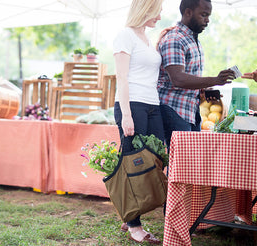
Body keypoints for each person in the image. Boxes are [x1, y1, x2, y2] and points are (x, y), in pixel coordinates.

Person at [113, 0, 164, 244]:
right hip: (132, 104)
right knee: (133, 164)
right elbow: (122, 77)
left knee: (157, 158)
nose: (160, 16)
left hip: (152, 105)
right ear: (147, 9)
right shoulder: (125, 35)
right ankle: (134, 225)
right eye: (158, 11)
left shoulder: (146, 38)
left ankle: (130, 214)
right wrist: (126, 115)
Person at [157, 0, 235, 150]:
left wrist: (204, 90)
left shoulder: (193, 41)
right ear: (188, 12)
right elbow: (178, 79)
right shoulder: (175, 39)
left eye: (209, 16)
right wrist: (216, 80)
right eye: (203, 15)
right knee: (179, 164)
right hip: (173, 110)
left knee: (189, 165)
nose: (207, 20)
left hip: (190, 111)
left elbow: (189, 78)